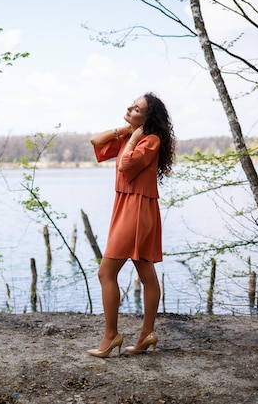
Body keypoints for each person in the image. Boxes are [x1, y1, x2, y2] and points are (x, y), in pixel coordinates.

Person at [86, 92, 175, 358]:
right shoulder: (130, 135)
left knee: (106, 273)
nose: (129, 108)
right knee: (145, 272)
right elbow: (96, 141)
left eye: (136, 109)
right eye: (132, 106)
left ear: (148, 118)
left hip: (137, 210)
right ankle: (147, 334)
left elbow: (125, 165)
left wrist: (135, 137)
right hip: (128, 207)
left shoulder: (151, 140)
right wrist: (125, 129)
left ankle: (111, 336)